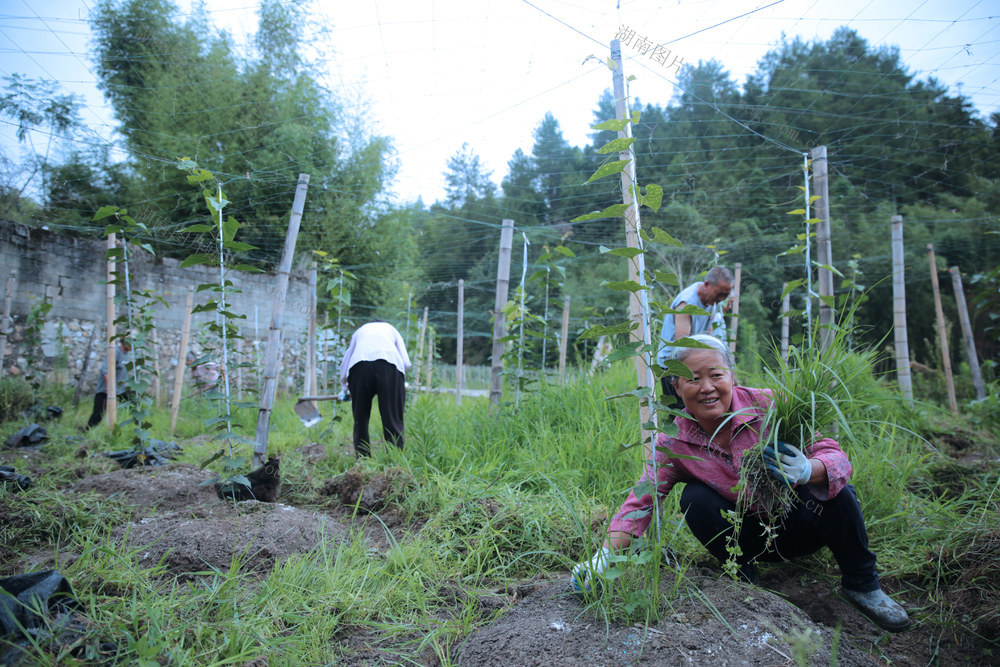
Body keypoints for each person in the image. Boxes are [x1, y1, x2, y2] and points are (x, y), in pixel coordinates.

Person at [572, 334, 910, 633]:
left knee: (839, 491)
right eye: (692, 379)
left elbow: (836, 457)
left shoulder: (772, 405)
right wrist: (603, 558)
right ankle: (743, 578)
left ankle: (862, 584)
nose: (706, 387)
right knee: (695, 497)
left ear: (731, 376)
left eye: (716, 375)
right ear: (676, 386)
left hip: (802, 526)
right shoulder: (674, 441)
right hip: (746, 537)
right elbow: (642, 500)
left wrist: (809, 469)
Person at [656, 267, 734, 403]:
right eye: (719, 293)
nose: (721, 299)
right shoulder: (686, 302)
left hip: (694, 362)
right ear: (707, 284)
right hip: (673, 364)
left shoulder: (713, 302)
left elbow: (708, 335)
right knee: (679, 410)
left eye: (725, 296)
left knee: (698, 408)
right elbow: (682, 344)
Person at [339, 321, 411, 457]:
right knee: (392, 417)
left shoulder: (360, 331)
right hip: (389, 365)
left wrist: (345, 386)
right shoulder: (392, 329)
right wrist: (398, 382)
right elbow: (406, 362)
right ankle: (394, 461)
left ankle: (362, 460)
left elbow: (346, 359)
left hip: (359, 367)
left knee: (360, 417)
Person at [85, 339, 132, 429]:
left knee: (132, 406)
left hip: (121, 388)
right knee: (99, 413)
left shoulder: (126, 354)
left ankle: (135, 427)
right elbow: (105, 371)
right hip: (107, 388)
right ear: (126, 342)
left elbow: (124, 371)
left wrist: (126, 383)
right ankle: (88, 430)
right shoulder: (115, 352)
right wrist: (109, 386)